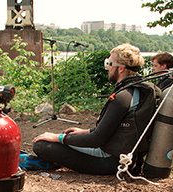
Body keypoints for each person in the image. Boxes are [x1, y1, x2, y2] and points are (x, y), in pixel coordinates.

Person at [31, 43, 160, 175]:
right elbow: (121, 129)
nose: (108, 68)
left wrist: (58, 138)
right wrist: (85, 131)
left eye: (109, 64)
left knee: (41, 145)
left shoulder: (122, 97)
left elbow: (96, 140)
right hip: (129, 158)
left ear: (120, 69)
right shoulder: (139, 91)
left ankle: (51, 160)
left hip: (110, 161)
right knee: (67, 138)